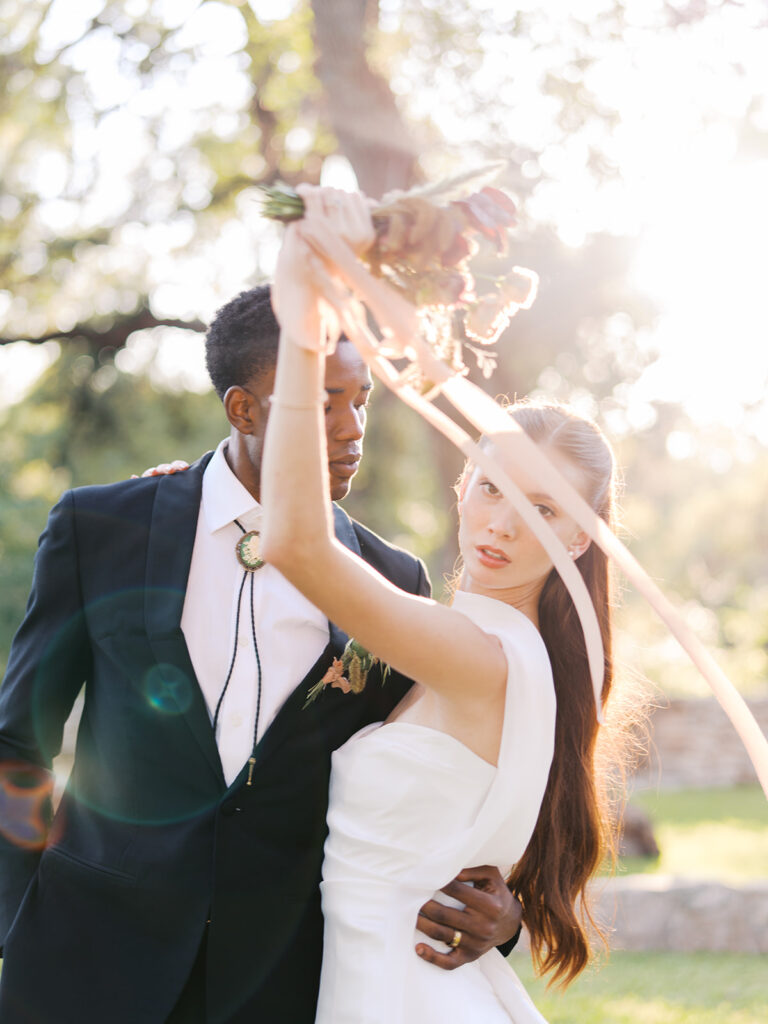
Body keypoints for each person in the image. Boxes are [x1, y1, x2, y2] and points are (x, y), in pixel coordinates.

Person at [0, 285, 522, 1024]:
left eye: (362, 401)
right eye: (324, 404)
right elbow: (18, 738)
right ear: (243, 410)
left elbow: (424, 783)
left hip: (282, 979)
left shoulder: (393, 581)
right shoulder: (101, 529)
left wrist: (505, 913)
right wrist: (15, 913)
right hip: (85, 960)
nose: (352, 430)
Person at [258, 185, 621, 1022]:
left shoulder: (481, 654)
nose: (500, 524)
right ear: (464, 484)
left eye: (542, 510)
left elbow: (295, 543)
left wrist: (305, 319)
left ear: (577, 538)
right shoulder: (491, 644)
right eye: (490, 487)